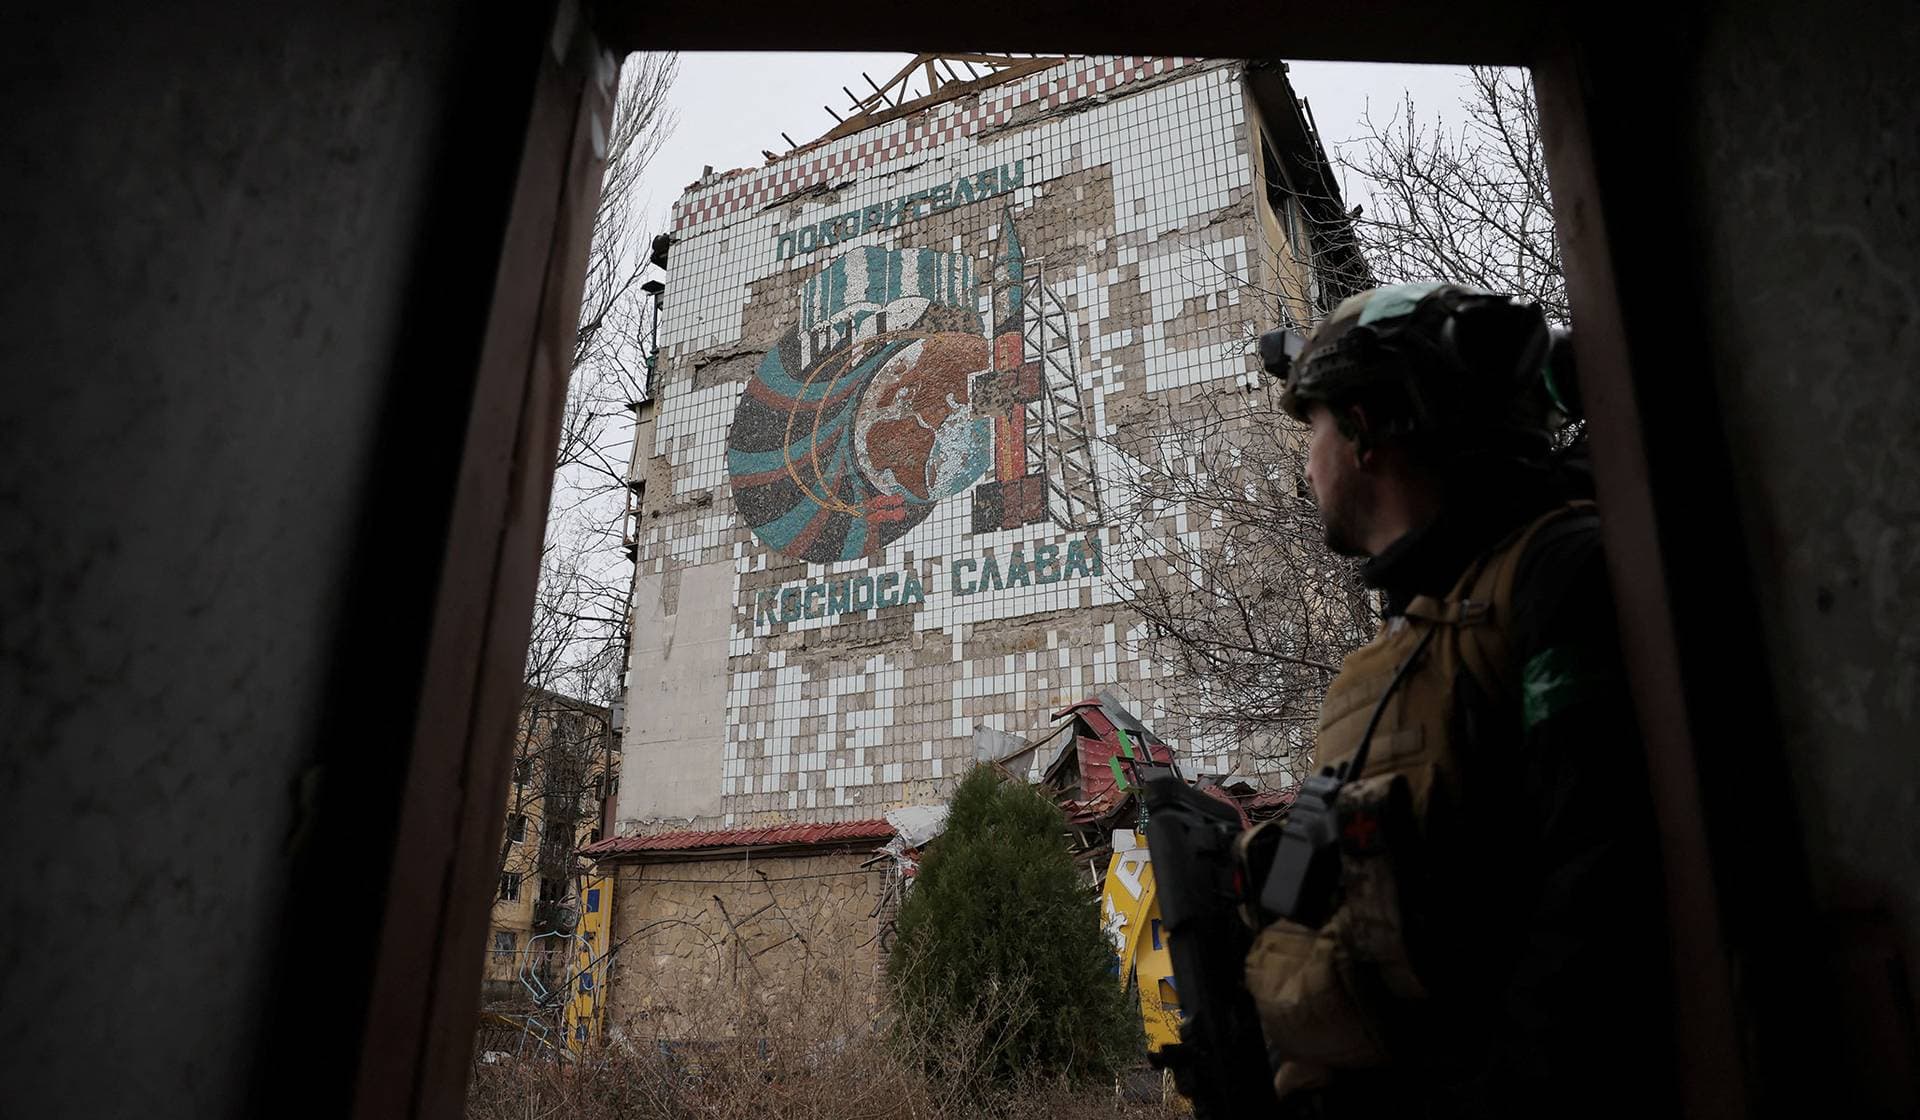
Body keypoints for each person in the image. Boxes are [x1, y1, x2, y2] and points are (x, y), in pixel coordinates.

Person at [1243, 282, 1674, 1118]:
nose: (1307, 462)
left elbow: (1601, 904)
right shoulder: (1428, 630)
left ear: (1365, 431)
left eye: (1315, 427)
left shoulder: (1559, 576)